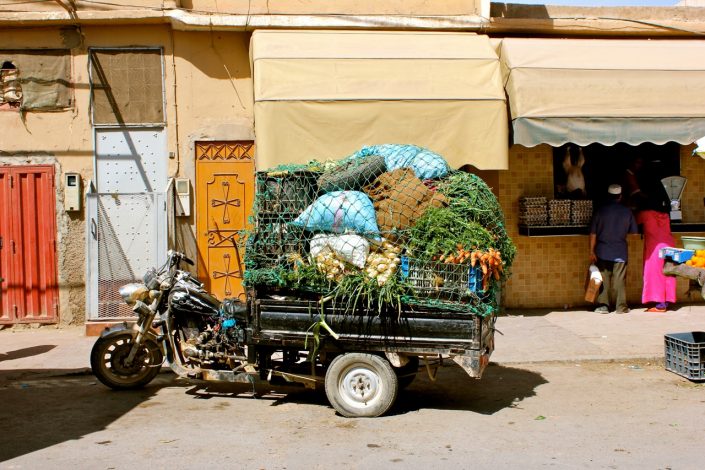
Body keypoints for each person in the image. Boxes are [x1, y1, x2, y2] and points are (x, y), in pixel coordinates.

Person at [624, 157, 676, 312]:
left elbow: (633, 221)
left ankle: (660, 305)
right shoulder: (666, 215)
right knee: (668, 272)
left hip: (654, 249)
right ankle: (666, 301)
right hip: (669, 245)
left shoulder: (645, 214)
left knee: (655, 274)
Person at [589, 184, 639, 313]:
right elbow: (634, 232)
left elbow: (593, 233)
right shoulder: (627, 211)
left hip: (602, 250)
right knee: (619, 280)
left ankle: (603, 306)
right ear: (620, 196)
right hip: (620, 251)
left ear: (608, 196)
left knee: (603, 279)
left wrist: (591, 251)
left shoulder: (600, 211)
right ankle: (621, 307)